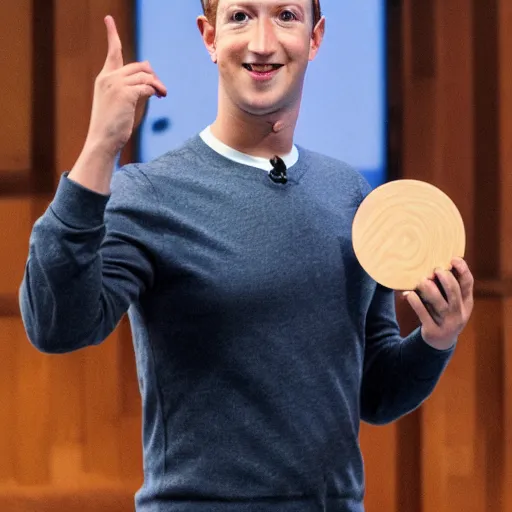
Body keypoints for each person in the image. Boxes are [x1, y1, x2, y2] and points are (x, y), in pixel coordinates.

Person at [19, 1, 474, 510]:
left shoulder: (350, 195)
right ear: (209, 36)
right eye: (239, 16)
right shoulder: (148, 194)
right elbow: (55, 325)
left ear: (315, 37)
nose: (261, 42)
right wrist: (100, 147)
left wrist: (436, 340)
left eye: (285, 15)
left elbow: (375, 394)